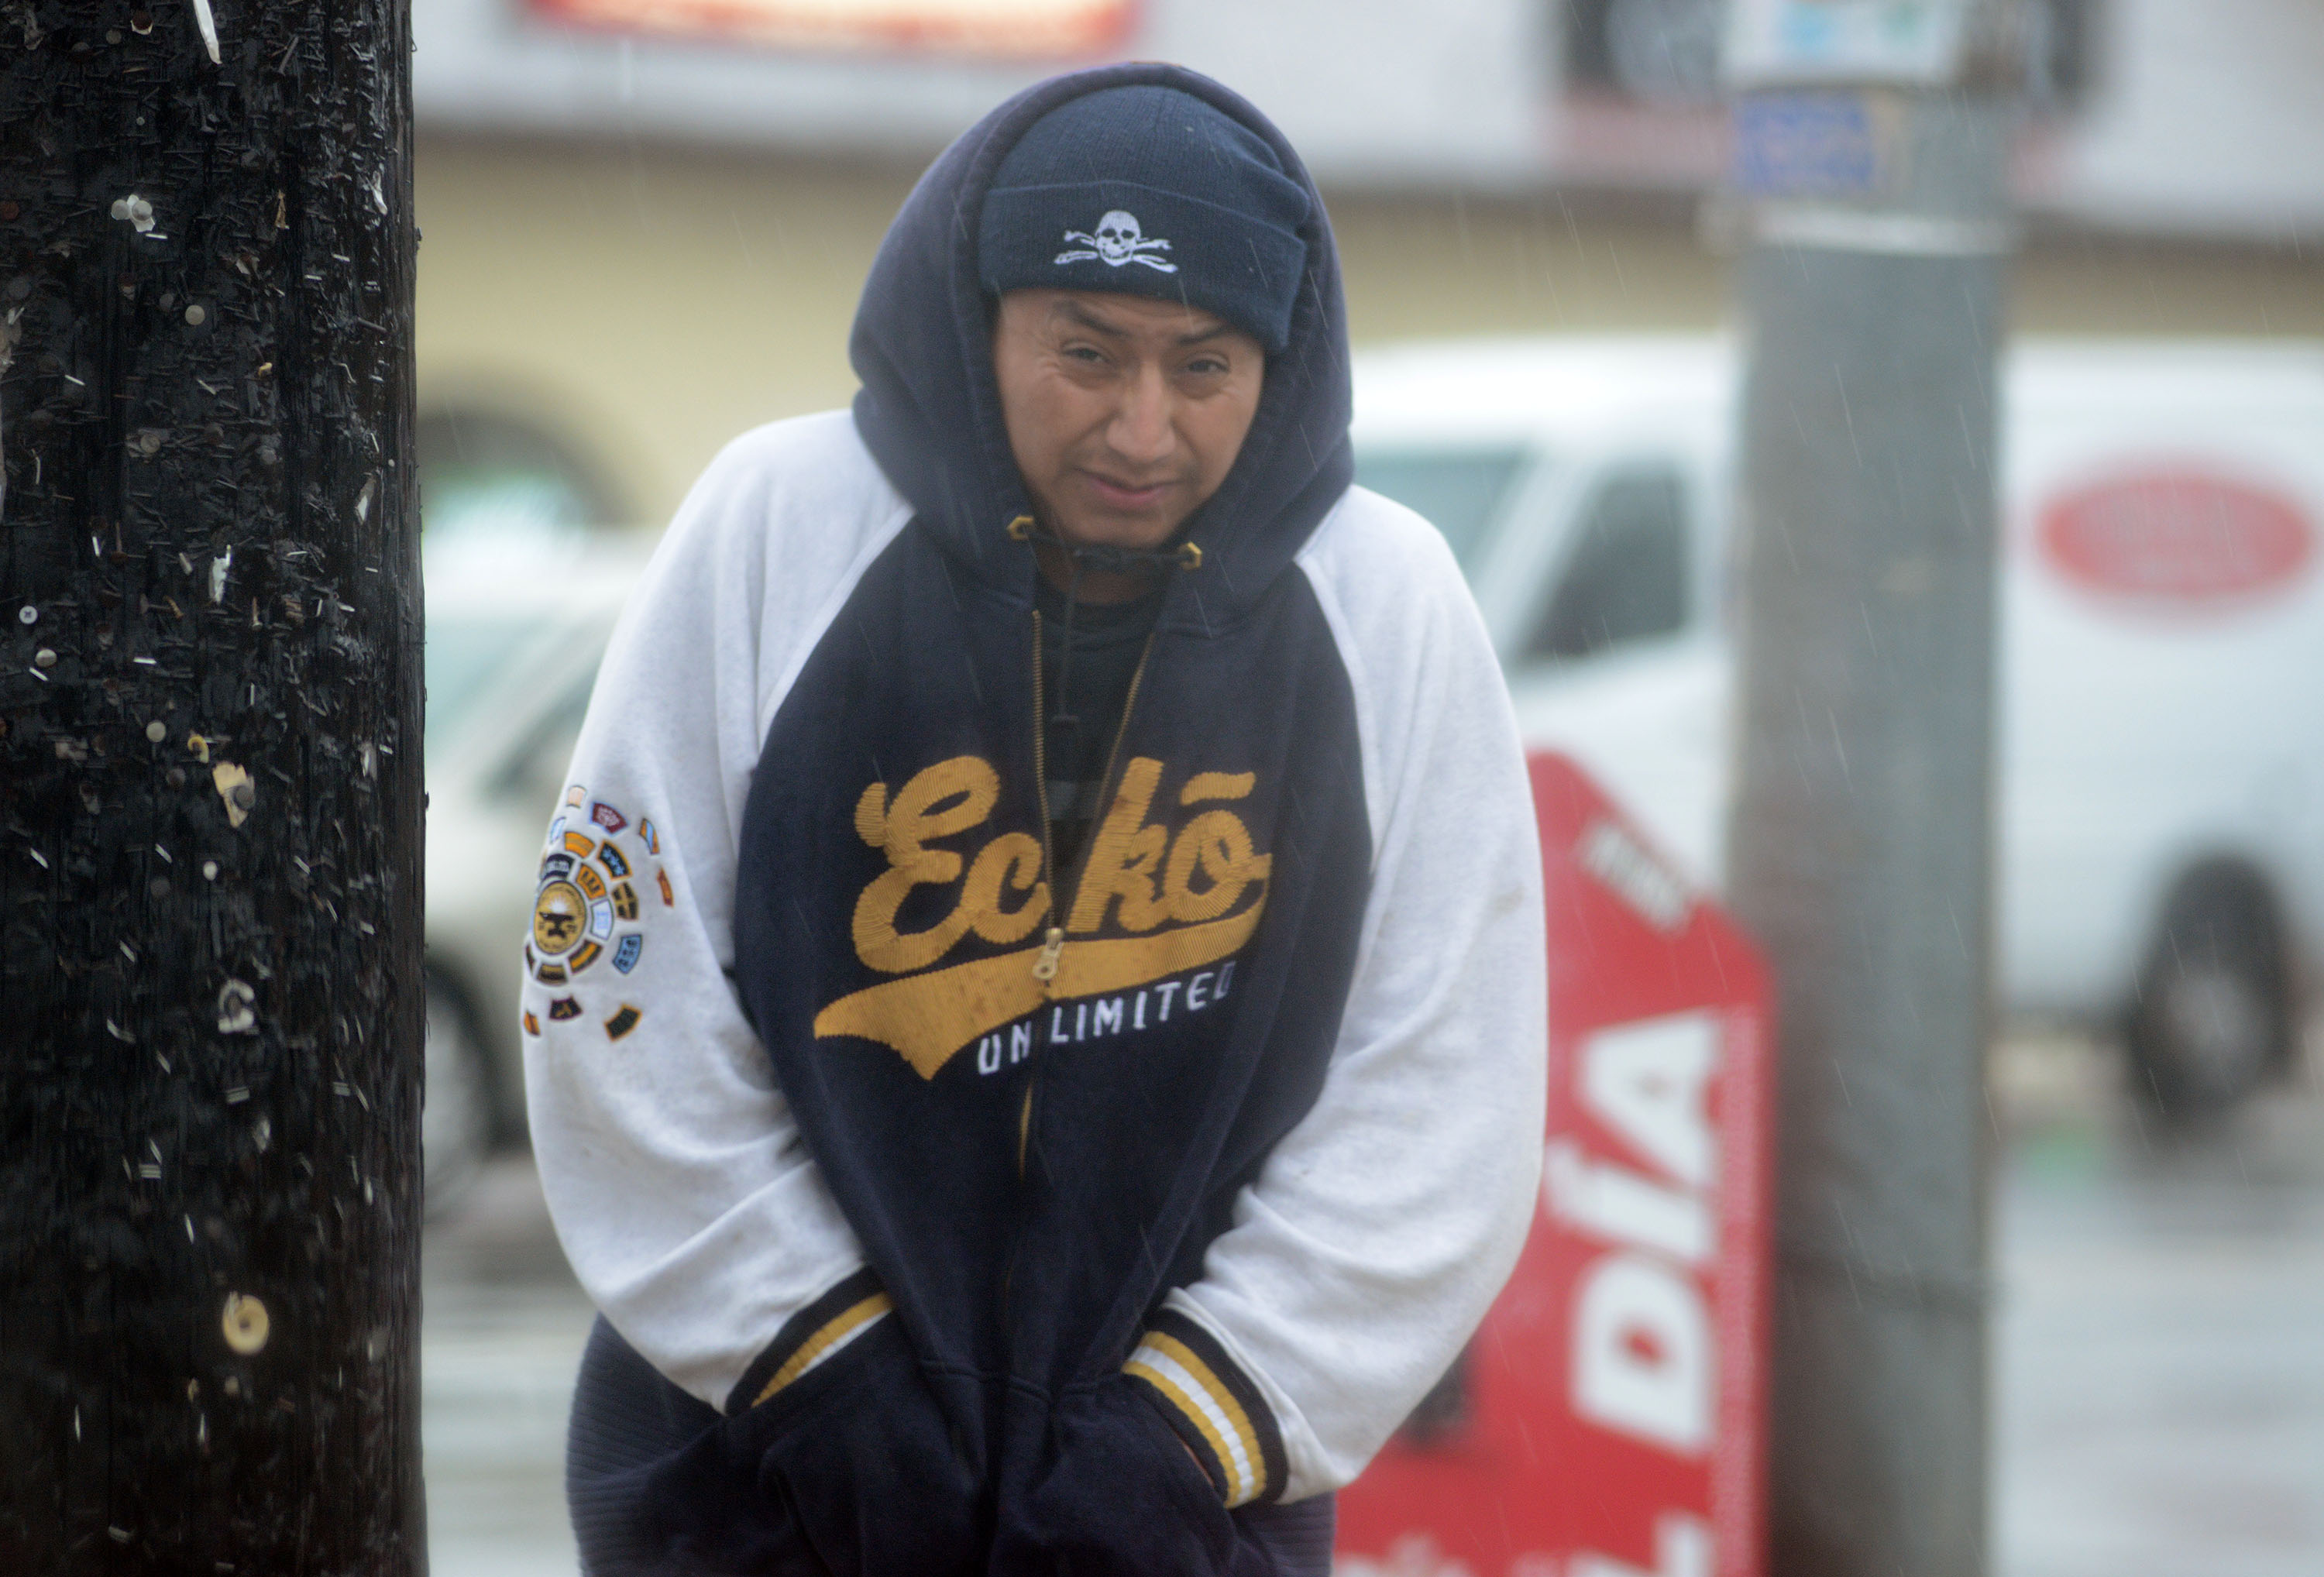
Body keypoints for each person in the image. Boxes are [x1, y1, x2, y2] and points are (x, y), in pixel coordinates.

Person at [520, 62, 1546, 1577]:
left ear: (1280, 362)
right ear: (976, 317)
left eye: (1204, 365)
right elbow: (614, 984)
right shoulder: (773, 524)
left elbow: (1442, 1085)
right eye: (1086, 352)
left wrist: (1178, 1440)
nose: (1142, 426)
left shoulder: (1388, 602)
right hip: (755, 1479)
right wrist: (825, 1373)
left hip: (1187, 1517)